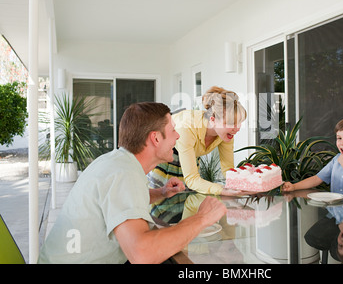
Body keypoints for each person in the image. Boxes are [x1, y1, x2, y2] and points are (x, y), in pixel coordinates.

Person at [38, 102, 227, 264]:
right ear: (155, 138)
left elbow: (115, 201)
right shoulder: (124, 174)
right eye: (173, 130)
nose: (178, 136)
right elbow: (142, 254)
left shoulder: (117, 162)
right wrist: (202, 218)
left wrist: (160, 193)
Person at [148, 86, 247, 196]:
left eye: (239, 122)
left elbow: (228, 170)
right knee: (163, 201)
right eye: (231, 123)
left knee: (188, 198)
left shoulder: (225, 134)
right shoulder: (186, 129)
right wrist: (222, 190)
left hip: (187, 156)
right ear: (213, 120)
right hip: (164, 158)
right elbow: (192, 180)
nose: (237, 128)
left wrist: (245, 186)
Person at [282, 116, 343, 200]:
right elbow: (317, 179)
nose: (342, 143)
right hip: (338, 213)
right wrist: (294, 186)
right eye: (339, 138)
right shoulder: (337, 159)